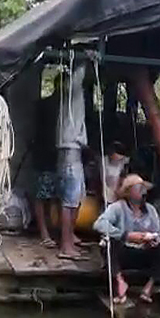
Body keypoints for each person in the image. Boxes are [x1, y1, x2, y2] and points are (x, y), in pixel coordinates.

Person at [93, 174, 160, 305]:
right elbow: (99, 224)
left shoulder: (150, 210)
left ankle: (148, 288)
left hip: (144, 252)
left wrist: (151, 239)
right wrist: (125, 235)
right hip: (124, 252)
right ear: (129, 192)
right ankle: (120, 282)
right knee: (107, 244)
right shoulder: (118, 207)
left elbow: (158, 233)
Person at [56, 61, 89, 261]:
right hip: (70, 151)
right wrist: (86, 58)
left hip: (72, 151)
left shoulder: (68, 95)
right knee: (69, 201)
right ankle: (65, 245)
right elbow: (79, 74)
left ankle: (70, 237)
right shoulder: (72, 91)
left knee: (77, 198)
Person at [32, 84, 60, 248]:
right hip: (44, 154)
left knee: (53, 197)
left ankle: (50, 230)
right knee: (42, 196)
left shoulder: (64, 107)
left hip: (56, 155)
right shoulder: (46, 105)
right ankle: (44, 233)